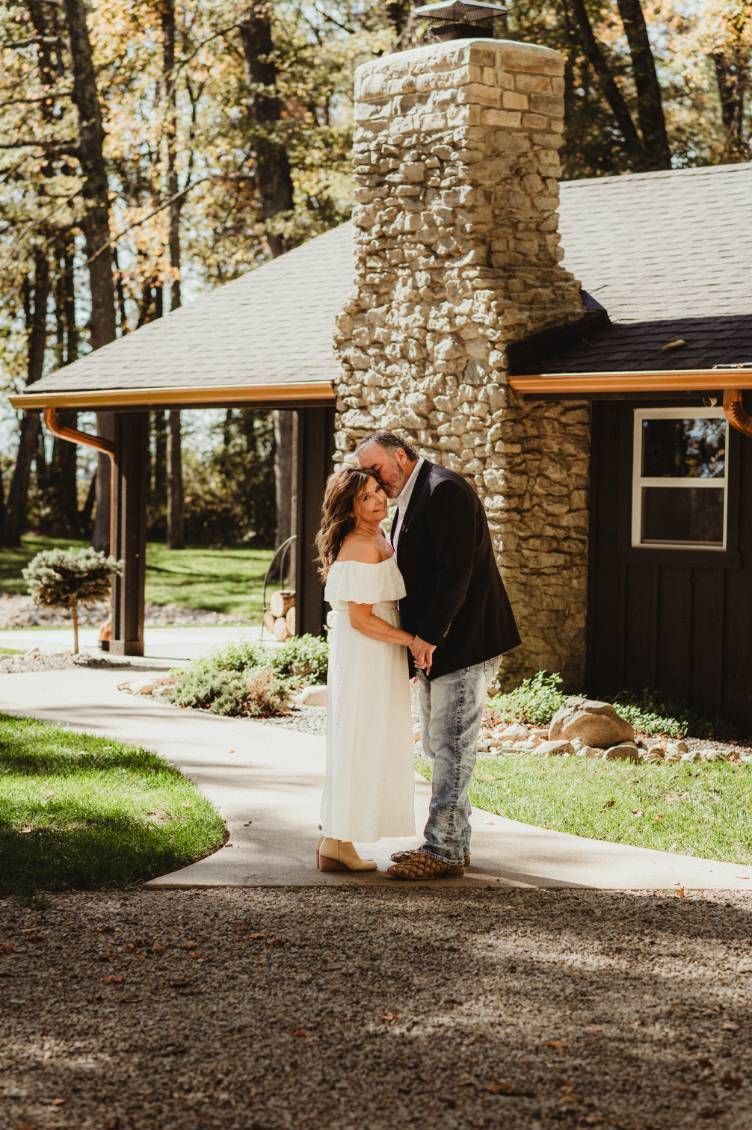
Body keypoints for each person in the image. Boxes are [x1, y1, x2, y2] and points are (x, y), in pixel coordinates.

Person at [356, 431, 520, 880]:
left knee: (451, 747)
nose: (373, 480)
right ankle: (454, 842)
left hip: (464, 642)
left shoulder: (444, 489)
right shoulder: (412, 495)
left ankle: (442, 850)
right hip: (437, 646)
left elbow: (455, 575)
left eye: (376, 469)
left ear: (401, 456)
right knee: (438, 744)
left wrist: (427, 636)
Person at [314, 465, 417, 872]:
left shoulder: (377, 534)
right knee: (359, 739)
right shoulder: (358, 544)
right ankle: (338, 841)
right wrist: (411, 641)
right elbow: (360, 618)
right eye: (366, 498)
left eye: (378, 490)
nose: (378, 500)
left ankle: (335, 840)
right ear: (350, 508)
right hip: (365, 654)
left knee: (371, 739)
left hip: (379, 651)